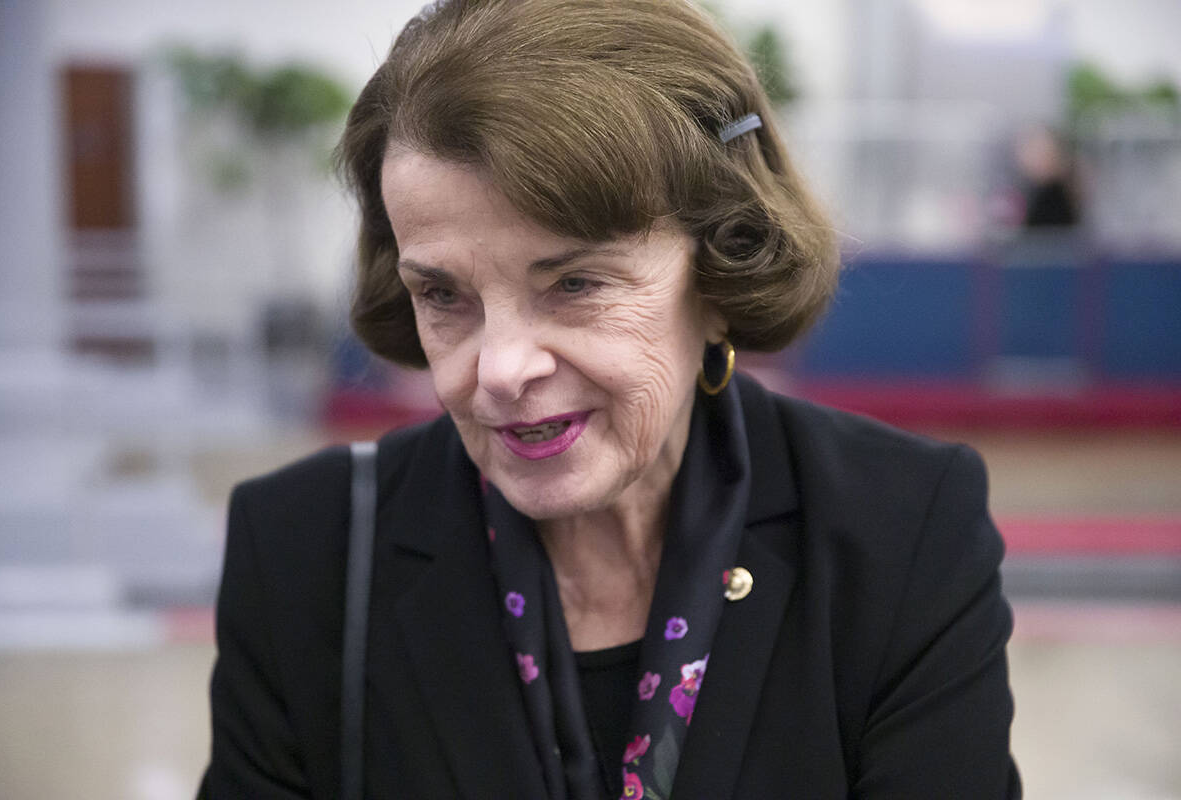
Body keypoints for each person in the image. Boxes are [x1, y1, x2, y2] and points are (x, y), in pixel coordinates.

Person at [199, 0, 1020, 797]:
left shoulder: (903, 534)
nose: (500, 370)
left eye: (576, 283)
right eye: (444, 296)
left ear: (723, 267)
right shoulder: (306, 557)